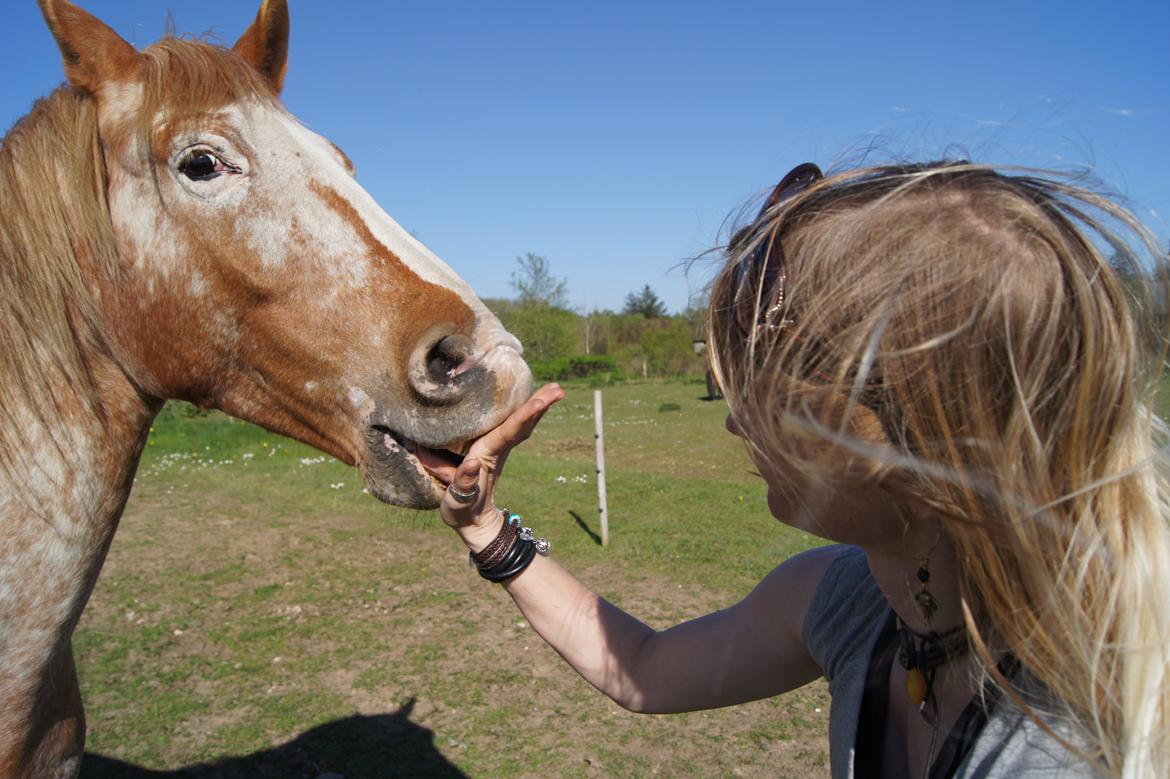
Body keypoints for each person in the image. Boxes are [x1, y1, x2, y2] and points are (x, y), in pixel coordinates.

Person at [412, 161, 1170, 778]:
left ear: (932, 441)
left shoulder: (1071, 744)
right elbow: (642, 667)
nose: (740, 420)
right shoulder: (850, 600)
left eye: (781, 396)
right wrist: (486, 530)